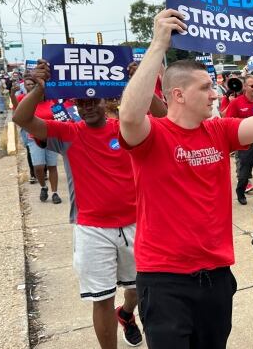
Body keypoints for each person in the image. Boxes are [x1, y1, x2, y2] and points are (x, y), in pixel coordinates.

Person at [118, 9, 253, 349]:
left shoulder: (219, 131)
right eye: (206, 87)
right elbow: (130, 115)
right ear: (178, 95)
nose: (214, 94)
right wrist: (158, 44)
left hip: (216, 276)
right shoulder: (153, 135)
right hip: (164, 279)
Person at [13, 59, 161, 348]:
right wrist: (39, 88)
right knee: (101, 298)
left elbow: (165, 118)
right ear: (76, 105)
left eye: (93, 100)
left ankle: (127, 315)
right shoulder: (69, 133)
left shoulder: (126, 128)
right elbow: (22, 118)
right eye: (82, 101)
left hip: (135, 223)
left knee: (137, 290)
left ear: (105, 100)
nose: (88, 106)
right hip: (92, 228)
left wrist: (143, 80)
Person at [224, 74, 253, 205]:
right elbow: (227, 123)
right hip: (244, 144)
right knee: (244, 174)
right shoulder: (235, 103)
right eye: (252, 86)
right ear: (245, 87)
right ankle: (240, 192)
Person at [10, 74, 38, 184]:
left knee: (43, 149)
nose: (30, 86)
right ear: (24, 86)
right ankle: (33, 173)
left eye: (32, 84)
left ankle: (42, 171)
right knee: (30, 151)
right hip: (27, 129)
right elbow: (16, 108)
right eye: (28, 84)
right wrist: (12, 94)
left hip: (40, 127)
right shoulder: (21, 98)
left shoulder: (41, 96)